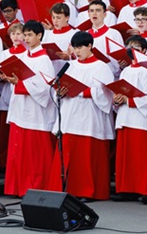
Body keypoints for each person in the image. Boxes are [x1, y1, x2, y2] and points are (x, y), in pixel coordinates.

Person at [51, 31, 114, 201]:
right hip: (70, 113)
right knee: (68, 153)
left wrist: (82, 91)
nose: (77, 51)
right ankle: (66, 188)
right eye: (74, 47)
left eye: (80, 47)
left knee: (86, 156)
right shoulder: (70, 66)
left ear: (90, 46)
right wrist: (61, 91)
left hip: (90, 117)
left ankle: (87, 191)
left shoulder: (101, 66)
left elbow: (106, 93)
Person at [3, 21, 58, 197]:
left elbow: (44, 88)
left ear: (39, 36)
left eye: (29, 35)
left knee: (35, 154)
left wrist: (18, 84)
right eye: (24, 35)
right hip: (21, 108)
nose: (26, 38)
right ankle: (17, 187)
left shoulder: (44, 59)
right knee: (18, 152)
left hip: (36, 112)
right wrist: (13, 81)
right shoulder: (23, 57)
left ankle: (35, 187)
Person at [110, 35, 147, 204]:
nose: (132, 50)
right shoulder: (126, 71)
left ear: (144, 51)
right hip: (125, 117)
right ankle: (127, 189)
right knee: (126, 157)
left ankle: (145, 190)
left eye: (136, 47)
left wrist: (128, 100)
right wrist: (117, 99)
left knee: (141, 156)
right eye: (129, 47)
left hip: (141, 119)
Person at [0, 23, 26, 174]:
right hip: (7, 93)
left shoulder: (27, 53)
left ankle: (18, 163)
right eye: (13, 34)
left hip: (21, 93)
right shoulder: (4, 54)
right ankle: (4, 163)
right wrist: (1, 77)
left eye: (19, 34)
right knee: (5, 134)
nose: (16, 37)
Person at [41, 3, 76, 72]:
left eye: (58, 17)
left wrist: (70, 57)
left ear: (67, 17)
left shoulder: (74, 34)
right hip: (50, 70)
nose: (55, 21)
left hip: (67, 71)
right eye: (53, 17)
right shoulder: (47, 34)